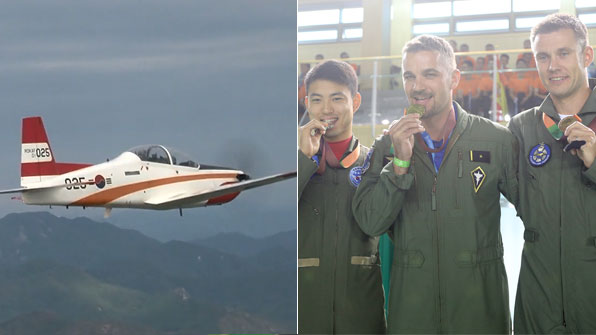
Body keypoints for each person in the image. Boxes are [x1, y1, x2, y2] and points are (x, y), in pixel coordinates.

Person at [352, 34, 519, 334]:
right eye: (409, 76)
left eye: (430, 74)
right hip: (413, 317)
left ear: (454, 78)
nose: (417, 87)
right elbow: (369, 223)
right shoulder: (386, 147)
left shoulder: (496, 141)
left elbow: (540, 216)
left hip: (481, 315)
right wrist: (399, 166)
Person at [508, 13, 596, 334]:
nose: (552, 65)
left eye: (563, 53)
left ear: (587, 55)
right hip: (538, 295)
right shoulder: (521, 128)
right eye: (543, 57)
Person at [298, 59, 385, 334]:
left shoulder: (375, 165)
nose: (326, 109)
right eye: (317, 100)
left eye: (337, 98)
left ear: (355, 101)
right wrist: (303, 159)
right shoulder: (293, 164)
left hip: (362, 314)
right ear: (306, 104)